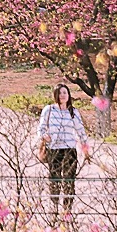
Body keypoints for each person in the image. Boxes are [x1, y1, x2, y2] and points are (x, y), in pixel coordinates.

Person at [38, 84, 89, 222]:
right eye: (60, 93)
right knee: (54, 180)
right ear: (55, 94)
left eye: (65, 92)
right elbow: (41, 128)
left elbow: (81, 131)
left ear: (69, 95)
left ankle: (67, 211)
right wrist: (45, 136)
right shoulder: (48, 110)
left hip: (70, 150)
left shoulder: (73, 112)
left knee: (69, 181)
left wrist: (86, 149)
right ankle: (53, 209)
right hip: (54, 150)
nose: (62, 95)